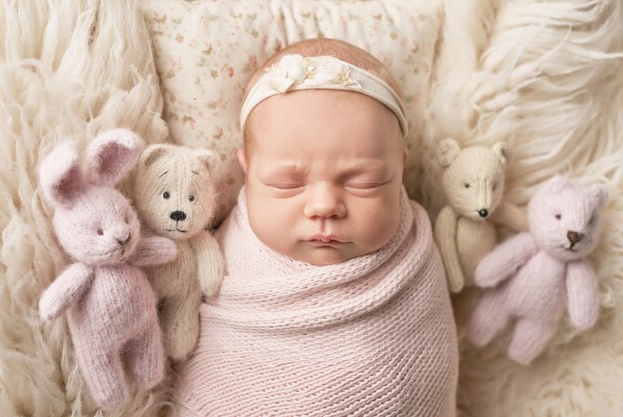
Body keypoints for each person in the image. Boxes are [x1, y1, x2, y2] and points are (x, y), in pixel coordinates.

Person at [172, 38, 458, 417]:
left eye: (363, 182)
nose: (324, 206)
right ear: (247, 169)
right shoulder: (222, 258)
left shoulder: (416, 258)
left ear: (400, 169)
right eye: (287, 184)